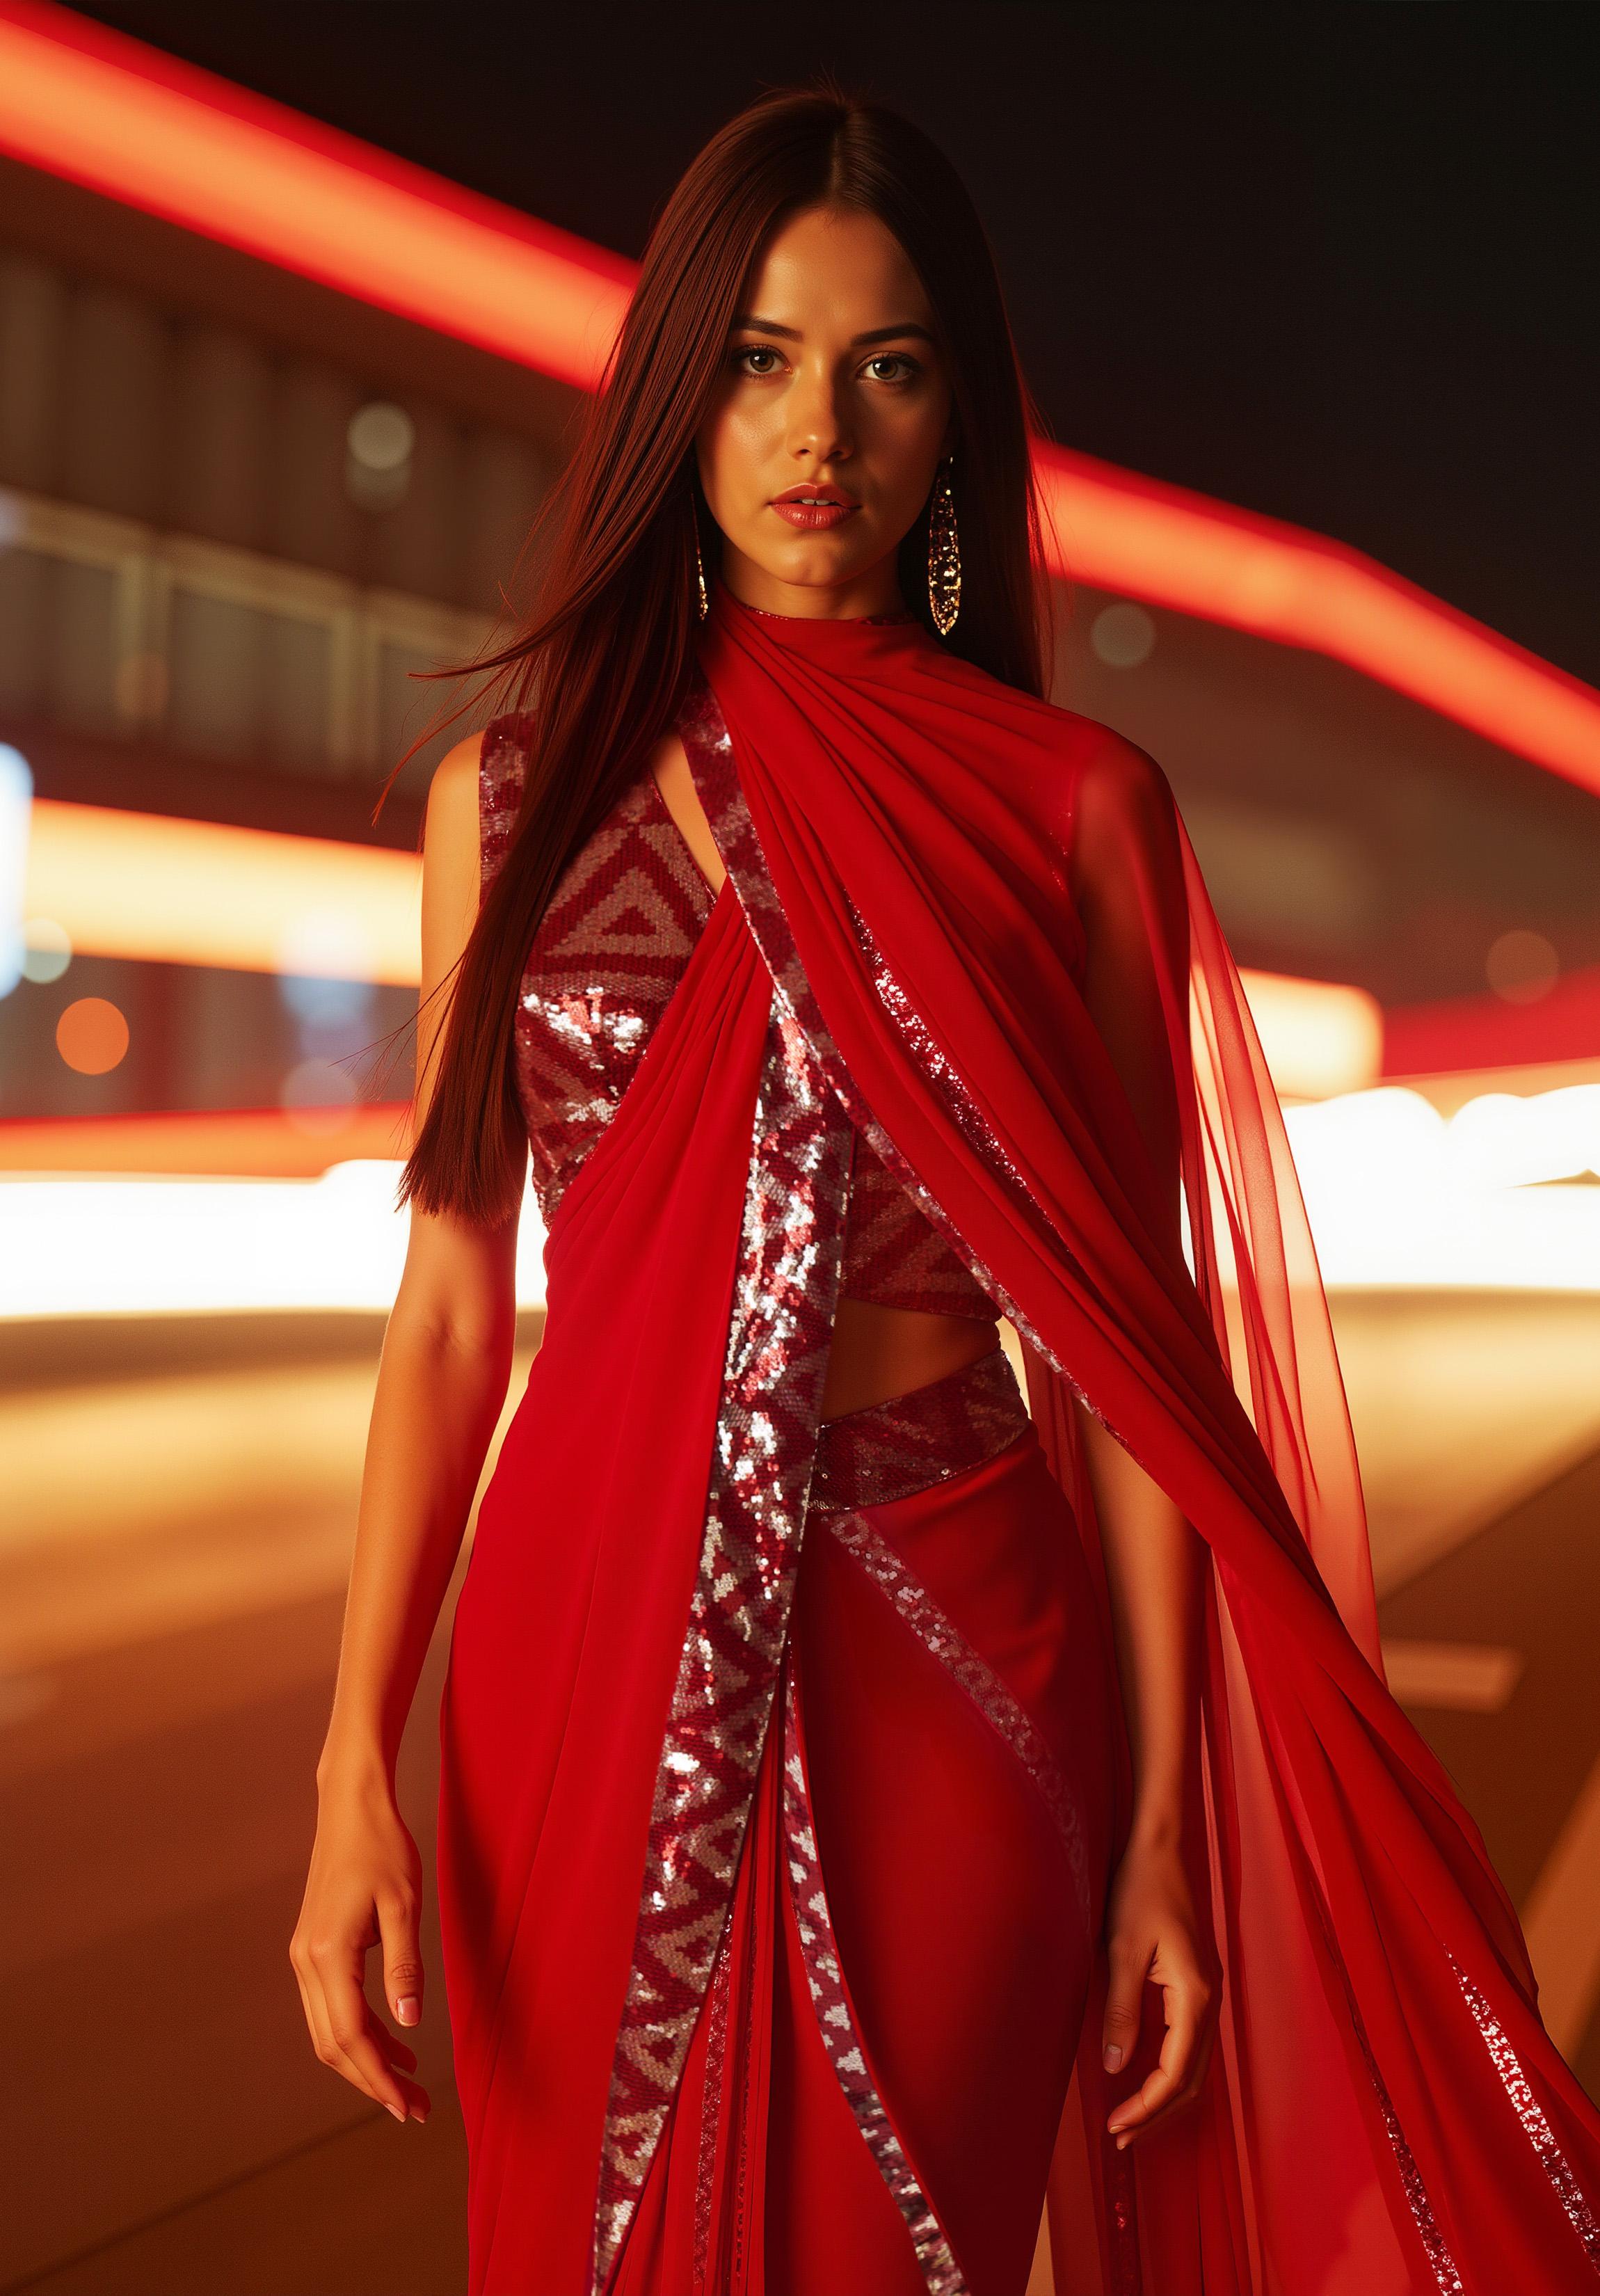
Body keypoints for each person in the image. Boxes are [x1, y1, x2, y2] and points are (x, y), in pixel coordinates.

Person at [291, 81, 1600, 2296]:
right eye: (762, 358)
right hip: (571, 1651)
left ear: (955, 424)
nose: (823, 427)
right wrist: (350, 1768)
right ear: (676, 396)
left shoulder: (1072, 808)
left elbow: (1132, 1364)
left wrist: (1166, 1828)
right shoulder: (501, 805)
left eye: (888, 366)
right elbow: (445, 1306)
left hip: (954, 1642)